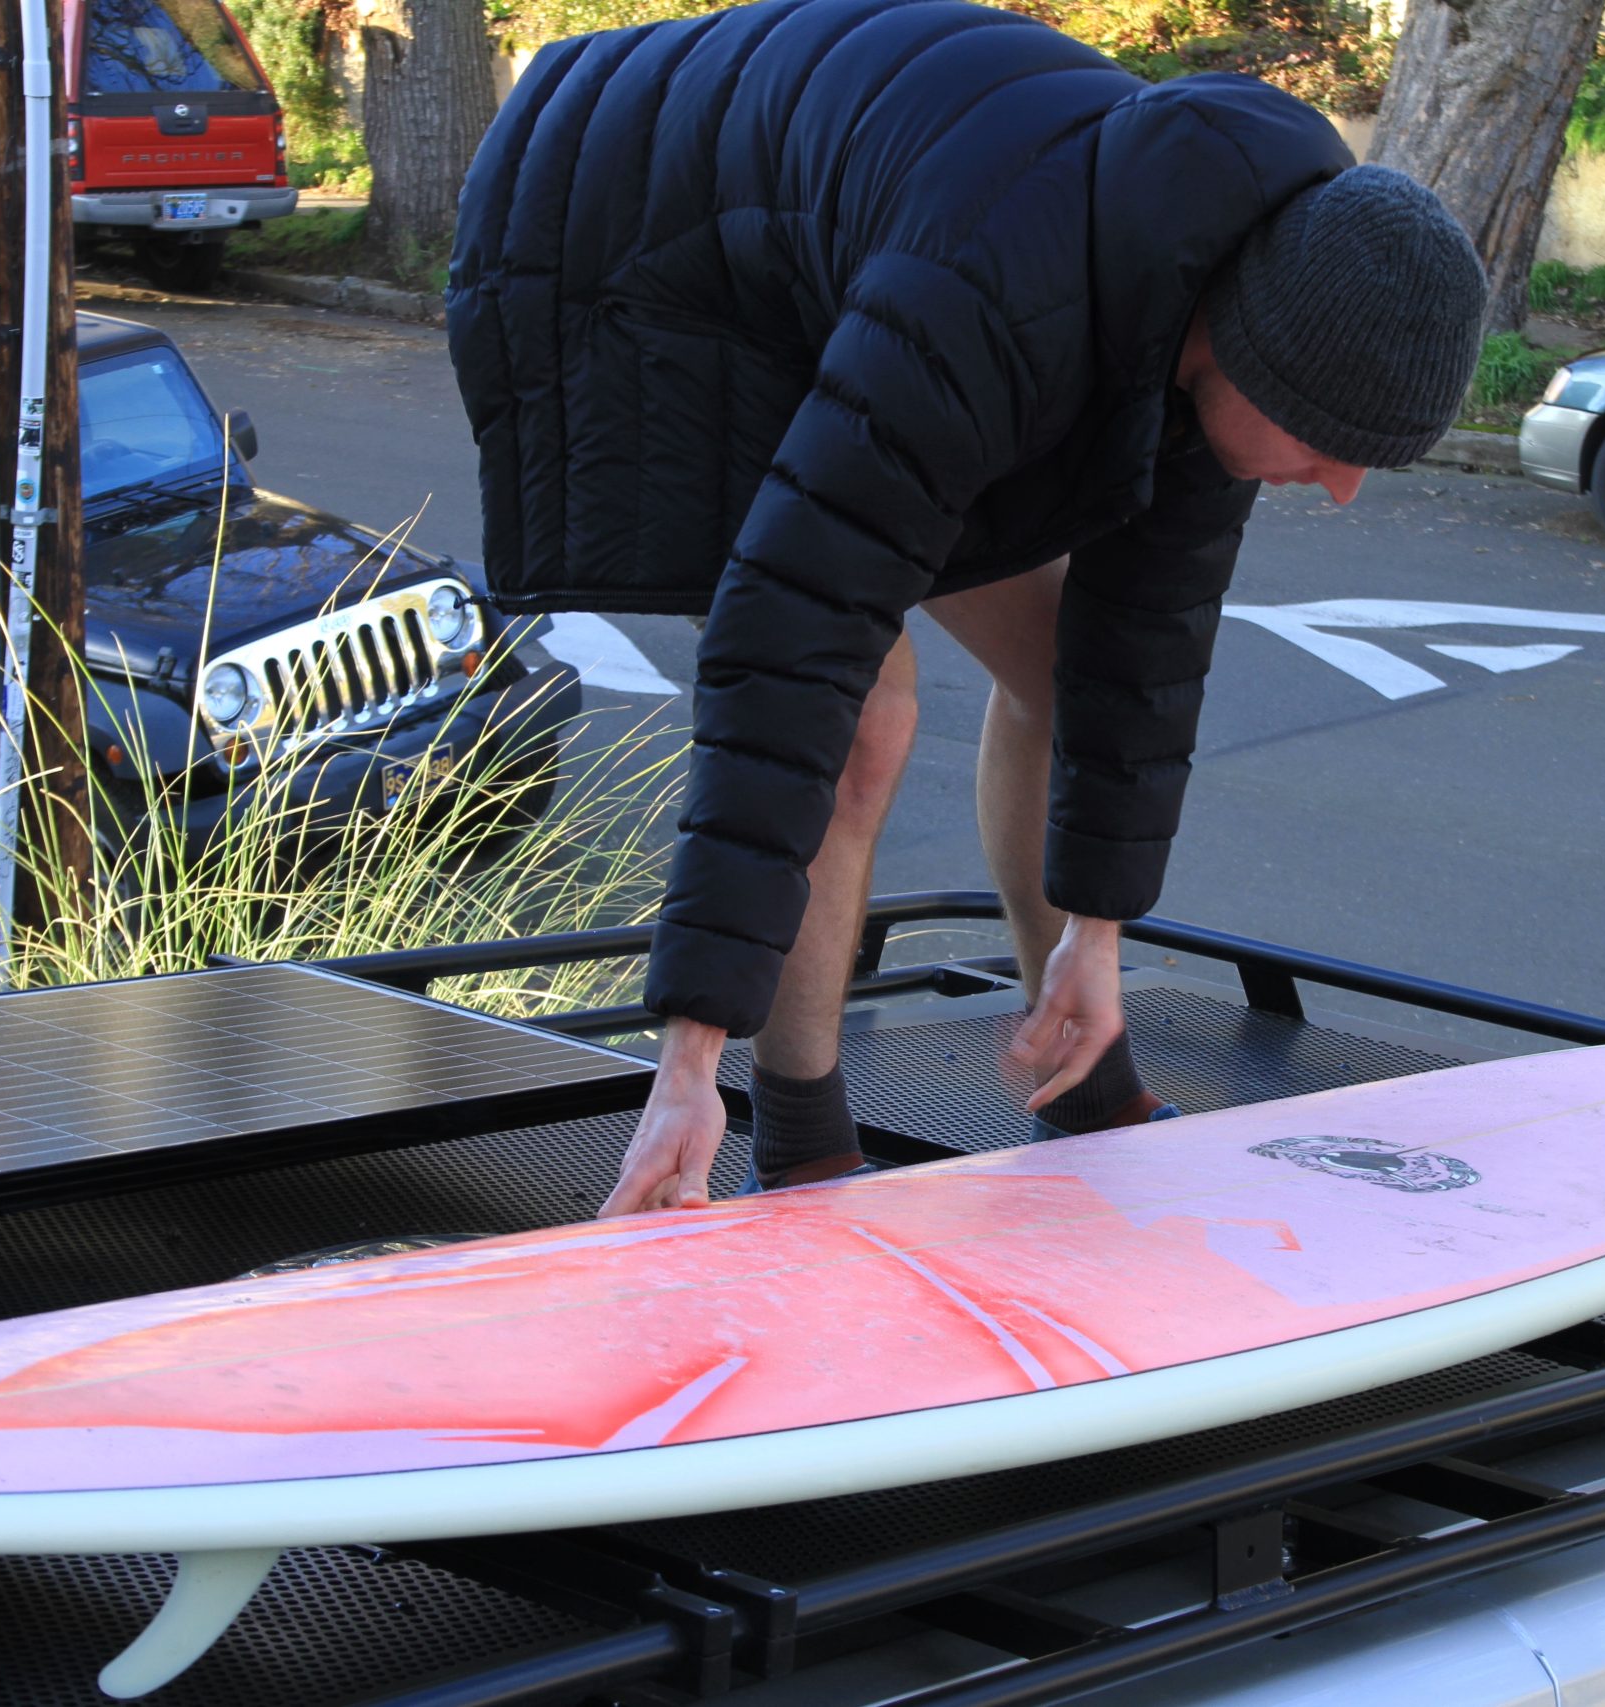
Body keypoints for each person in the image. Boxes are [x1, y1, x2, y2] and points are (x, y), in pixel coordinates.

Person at [446, 0, 1486, 1215]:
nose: (1345, 487)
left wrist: (1090, 942)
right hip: (625, 235)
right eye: (1332, 442)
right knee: (859, 719)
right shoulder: (993, 295)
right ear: (1249, 351)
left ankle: (1077, 1070)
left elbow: (1134, 661)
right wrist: (688, 1065)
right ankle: (800, 1137)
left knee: (1065, 674)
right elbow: (787, 652)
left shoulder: (1242, 287)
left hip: (857, 244)